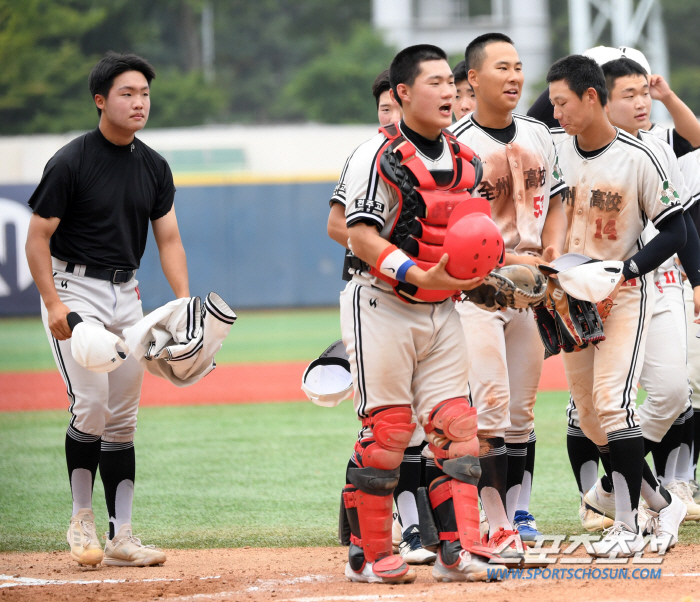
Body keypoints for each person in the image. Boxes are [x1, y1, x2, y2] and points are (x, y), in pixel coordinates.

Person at [337, 43, 500, 584]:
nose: (448, 91)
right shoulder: (374, 155)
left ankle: (459, 548)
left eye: (449, 82)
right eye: (433, 82)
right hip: (382, 303)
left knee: (458, 427)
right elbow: (356, 234)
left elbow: (469, 240)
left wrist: (497, 273)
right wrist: (416, 274)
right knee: (387, 431)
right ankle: (368, 555)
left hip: (442, 309)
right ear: (403, 93)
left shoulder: (467, 160)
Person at [25, 52, 189, 567]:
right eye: (127, 93)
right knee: (91, 405)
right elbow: (37, 238)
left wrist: (182, 303)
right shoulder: (71, 160)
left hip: (128, 295)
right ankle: (81, 521)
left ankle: (122, 537)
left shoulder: (153, 165)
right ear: (100, 100)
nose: (139, 102)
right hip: (75, 290)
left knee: (123, 419)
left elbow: (169, 239)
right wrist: (52, 302)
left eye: (144, 93)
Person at [547, 54, 687, 556]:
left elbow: (677, 229)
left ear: (590, 97)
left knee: (612, 404)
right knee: (587, 416)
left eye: (563, 102)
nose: (555, 112)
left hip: (623, 292)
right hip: (568, 298)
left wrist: (627, 270)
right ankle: (663, 499)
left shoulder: (638, 155)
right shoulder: (554, 152)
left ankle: (626, 524)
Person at [450, 32, 567, 548]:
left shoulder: (539, 133)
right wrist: (519, 259)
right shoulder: (457, 145)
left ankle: (520, 513)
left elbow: (559, 199)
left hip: (531, 291)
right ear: (473, 79)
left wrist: (555, 255)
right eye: (501, 67)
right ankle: (493, 518)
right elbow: (457, 229)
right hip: (479, 293)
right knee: (492, 407)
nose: (514, 77)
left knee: (522, 411)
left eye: (518, 67)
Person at [579, 57, 700, 524]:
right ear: (601, 100)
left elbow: (682, 221)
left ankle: (612, 486)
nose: (640, 101)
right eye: (627, 94)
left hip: (660, 280)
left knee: (673, 393)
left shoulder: (658, 146)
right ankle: (632, 493)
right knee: (597, 409)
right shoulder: (577, 148)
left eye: (642, 92)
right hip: (602, 291)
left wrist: (698, 279)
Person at [327, 70, 436, 565]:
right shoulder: (367, 157)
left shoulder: (440, 157)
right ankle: (378, 527)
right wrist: (395, 254)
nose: (390, 117)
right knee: (389, 425)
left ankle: (410, 524)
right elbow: (338, 226)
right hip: (374, 294)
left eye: (396, 107)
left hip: (425, 302)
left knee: (427, 421)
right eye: (384, 109)